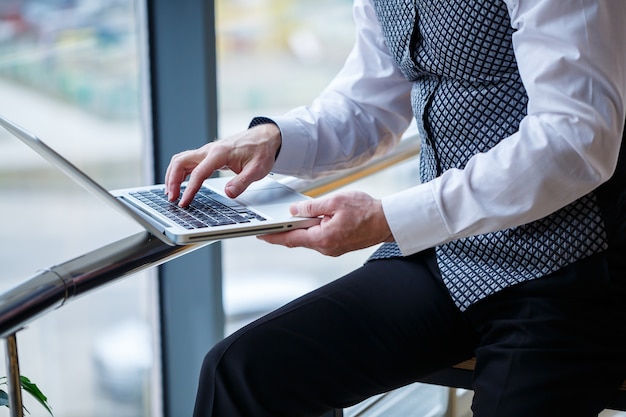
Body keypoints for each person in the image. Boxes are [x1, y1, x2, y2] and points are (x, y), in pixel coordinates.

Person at [165, 1, 626, 416]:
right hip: (447, 257)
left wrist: (389, 219)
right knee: (245, 371)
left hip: (574, 265)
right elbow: (368, 105)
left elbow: (576, 137)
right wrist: (272, 139)